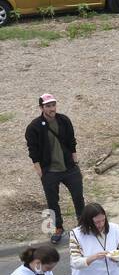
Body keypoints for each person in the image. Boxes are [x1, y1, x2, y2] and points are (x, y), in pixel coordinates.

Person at [25, 94, 84, 245]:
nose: (51, 108)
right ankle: (58, 228)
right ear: (41, 108)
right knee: (52, 201)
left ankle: (83, 225)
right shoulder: (34, 127)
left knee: (78, 197)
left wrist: (75, 160)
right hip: (49, 171)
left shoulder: (64, 120)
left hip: (69, 167)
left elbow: (72, 141)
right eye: (48, 106)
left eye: (53, 105)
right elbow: (33, 151)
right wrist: (40, 171)